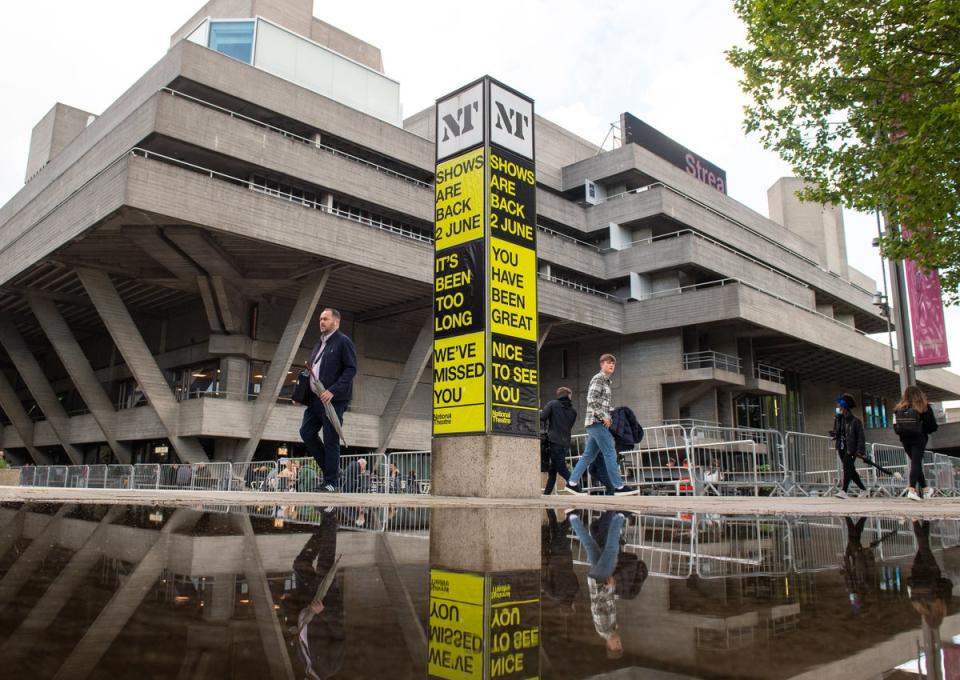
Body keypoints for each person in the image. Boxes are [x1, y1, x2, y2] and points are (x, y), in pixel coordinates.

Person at [567, 510, 647, 659]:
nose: (619, 642)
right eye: (620, 645)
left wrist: (607, 588)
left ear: (609, 645)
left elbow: (596, 605)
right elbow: (606, 603)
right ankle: (572, 518)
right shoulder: (611, 628)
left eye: (616, 645)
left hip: (600, 580)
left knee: (612, 550)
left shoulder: (604, 629)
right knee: (590, 546)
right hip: (597, 580)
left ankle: (619, 517)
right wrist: (613, 593)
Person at [299, 308, 358, 493]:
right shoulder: (319, 344)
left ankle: (331, 482)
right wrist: (300, 394)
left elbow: (351, 369)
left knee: (331, 438)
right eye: (320, 319)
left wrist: (333, 391)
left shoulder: (343, 342)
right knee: (306, 432)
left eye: (325, 319)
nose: (321, 322)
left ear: (336, 322)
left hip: (333, 400)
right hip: (315, 400)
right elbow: (313, 372)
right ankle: (333, 472)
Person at [284, 512, 345, 679]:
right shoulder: (329, 668)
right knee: (326, 560)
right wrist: (322, 612)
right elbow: (339, 635)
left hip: (305, 598)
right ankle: (329, 516)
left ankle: (328, 527)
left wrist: (291, 624)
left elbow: (297, 630)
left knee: (300, 564)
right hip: (323, 600)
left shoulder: (305, 664)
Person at [565, 355, 637, 496]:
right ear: (602, 364)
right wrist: (603, 416)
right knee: (610, 451)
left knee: (588, 455)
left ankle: (572, 483)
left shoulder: (606, 382)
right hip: (596, 422)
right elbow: (591, 399)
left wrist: (614, 412)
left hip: (596, 423)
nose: (611, 366)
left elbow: (602, 403)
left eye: (613, 364)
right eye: (608, 363)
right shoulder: (598, 379)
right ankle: (618, 486)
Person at [894, 385, 939, 501]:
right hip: (919, 438)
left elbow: (895, 426)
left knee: (915, 463)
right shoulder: (923, 407)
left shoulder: (899, 408)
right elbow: (932, 426)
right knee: (916, 462)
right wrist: (923, 429)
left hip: (905, 439)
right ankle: (912, 489)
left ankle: (925, 489)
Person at [541, 386, 577, 495]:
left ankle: (576, 487)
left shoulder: (552, 404)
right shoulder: (573, 411)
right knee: (553, 469)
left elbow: (542, 417)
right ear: (567, 396)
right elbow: (568, 426)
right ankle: (547, 494)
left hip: (554, 440)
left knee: (561, 468)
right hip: (565, 442)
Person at [829, 393, 867, 498]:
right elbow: (838, 431)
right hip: (841, 447)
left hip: (851, 449)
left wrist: (860, 451)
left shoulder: (856, 421)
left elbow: (861, 437)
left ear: (844, 406)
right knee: (850, 469)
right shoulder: (838, 419)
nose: (838, 407)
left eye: (840, 405)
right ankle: (863, 490)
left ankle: (844, 491)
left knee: (846, 467)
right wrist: (834, 434)